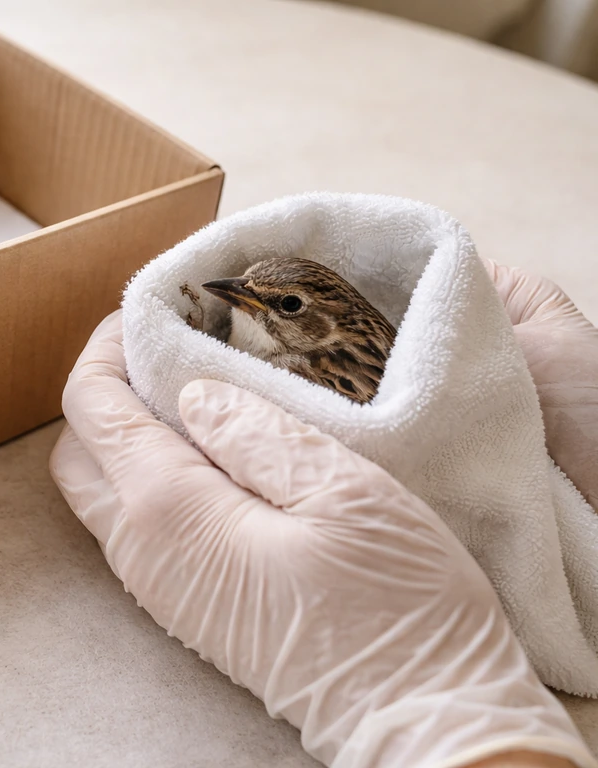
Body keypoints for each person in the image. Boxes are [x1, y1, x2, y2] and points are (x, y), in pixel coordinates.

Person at [50, 258, 598, 768]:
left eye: (286, 305)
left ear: (329, 326)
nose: (241, 298)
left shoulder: (319, 373)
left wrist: (429, 700)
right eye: (247, 290)